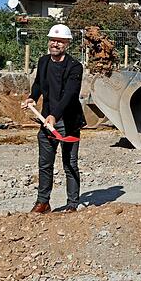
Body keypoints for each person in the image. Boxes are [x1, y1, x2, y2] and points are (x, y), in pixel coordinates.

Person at [22, 24, 86, 214]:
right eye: (53, 40)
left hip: (68, 122)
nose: (55, 44)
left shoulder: (75, 67)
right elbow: (39, 84)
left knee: (70, 164)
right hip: (46, 122)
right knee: (45, 163)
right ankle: (43, 202)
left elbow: (70, 95)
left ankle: (72, 203)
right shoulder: (43, 62)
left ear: (67, 43)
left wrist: (54, 115)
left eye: (59, 41)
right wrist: (33, 96)